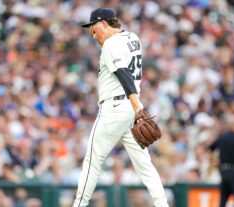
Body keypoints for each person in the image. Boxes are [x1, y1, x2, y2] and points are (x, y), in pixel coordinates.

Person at [72, 8, 169, 207]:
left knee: (92, 161)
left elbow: (123, 74)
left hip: (116, 108)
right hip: (129, 111)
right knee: (145, 166)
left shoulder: (110, 44)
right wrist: (135, 109)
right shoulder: (132, 38)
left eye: (94, 27)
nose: (92, 33)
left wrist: (137, 107)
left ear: (105, 23)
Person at [208, 113, 234, 207]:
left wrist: (214, 162)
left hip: (224, 171)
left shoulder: (222, 138)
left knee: (223, 201)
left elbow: (210, 148)